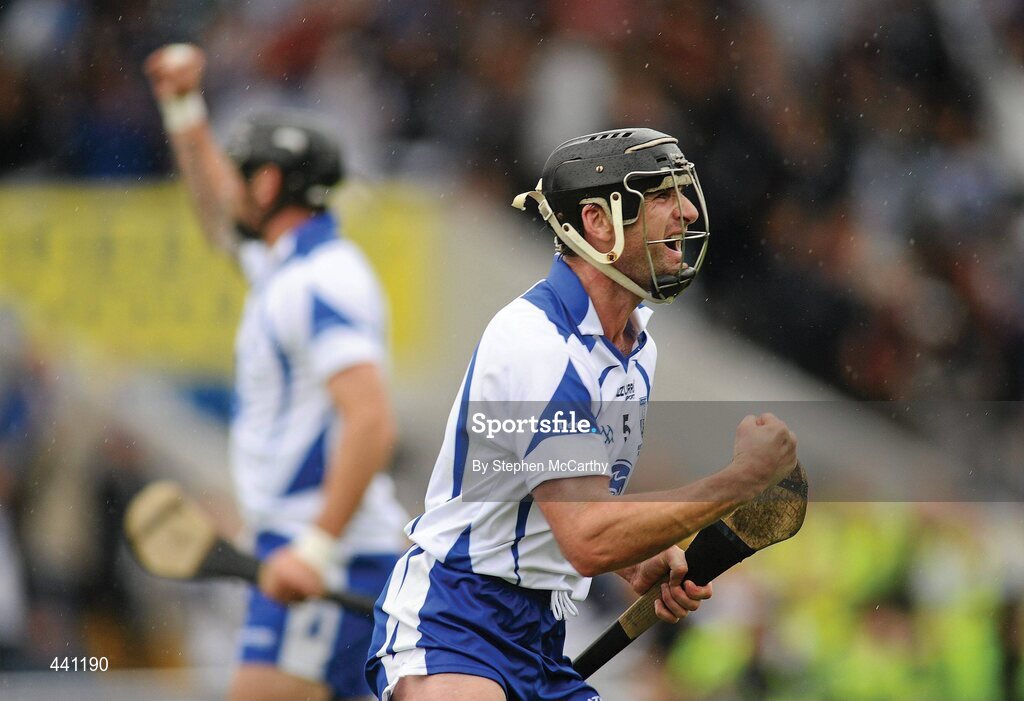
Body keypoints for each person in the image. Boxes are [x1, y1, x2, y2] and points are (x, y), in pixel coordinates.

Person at [365, 128, 798, 701]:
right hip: (455, 620)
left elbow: (577, 507)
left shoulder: (636, 349)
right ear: (597, 221)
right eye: (662, 196)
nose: (687, 211)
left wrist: (635, 556)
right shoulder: (538, 344)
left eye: (681, 194)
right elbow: (587, 537)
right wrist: (737, 481)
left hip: (542, 632)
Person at [144, 43, 407, 701]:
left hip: (328, 552)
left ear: (267, 185)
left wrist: (316, 545)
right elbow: (215, 215)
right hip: (320, 548)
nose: (229, 185)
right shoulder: (287, 267)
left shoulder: (321, 279)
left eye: (242, 173)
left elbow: (371, 421)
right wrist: (184, 111)